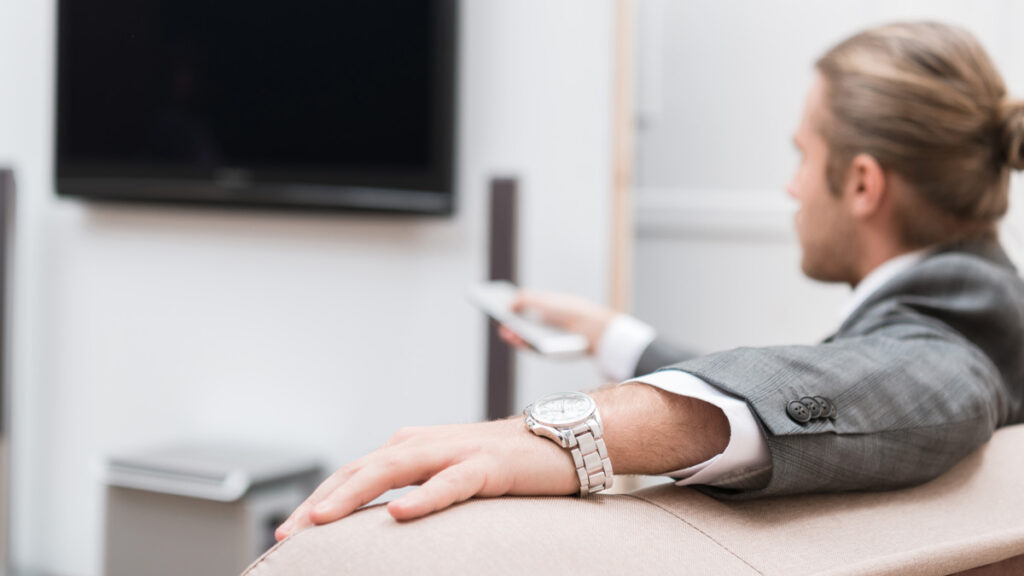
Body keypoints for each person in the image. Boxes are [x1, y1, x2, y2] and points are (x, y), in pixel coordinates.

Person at [274, 21, 1024, 541]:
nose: (792, 188)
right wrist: (615, 337)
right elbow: (796, 389)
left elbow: (906, 386)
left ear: (862, 184)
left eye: (801, 155)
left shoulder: (958, 346)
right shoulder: (972, 295)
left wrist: (561, 435)